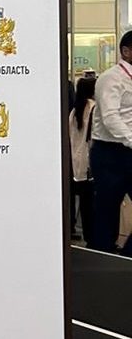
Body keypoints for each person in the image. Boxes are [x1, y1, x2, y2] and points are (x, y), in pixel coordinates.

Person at [90, 31, 132, 254]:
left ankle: (126, 256)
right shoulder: (111, 78)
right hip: (110, 154)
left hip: (128, 151)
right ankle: (102, 258)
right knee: (107, 211)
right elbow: (110, 117)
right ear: (126, 51)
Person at [68, 76, 96, 245]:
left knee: (85, 205)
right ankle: (94, 239)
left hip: (76, 165)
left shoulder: (74, 112)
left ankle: (88, 237)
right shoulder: (94, 108)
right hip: (91, 164)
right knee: (94, 205)